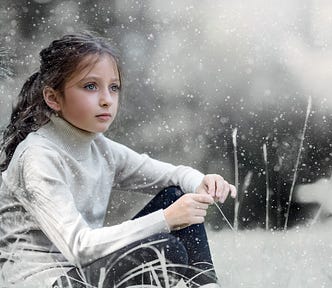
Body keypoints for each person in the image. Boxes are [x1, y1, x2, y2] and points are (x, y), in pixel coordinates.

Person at [0, 32, 236, 288]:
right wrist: (166, 219)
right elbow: (79, 246)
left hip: (83, 271)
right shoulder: (38, 157)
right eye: (90, 86)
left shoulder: (100, 148)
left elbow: (173, 176)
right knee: (164, 250)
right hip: (49, 280)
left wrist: (202, 182)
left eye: (113, 87)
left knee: (176, 196)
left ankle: (208, 285)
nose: (106, 99)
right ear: (53, 98)